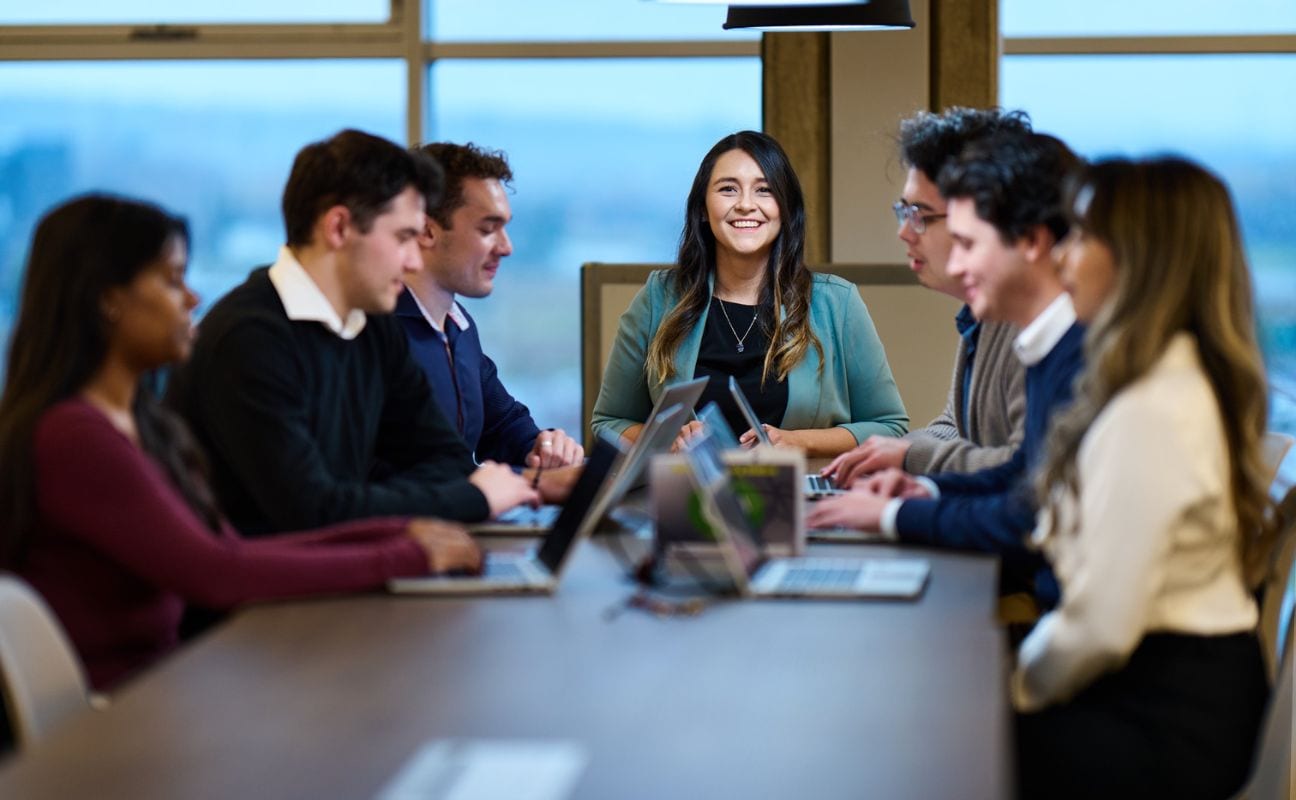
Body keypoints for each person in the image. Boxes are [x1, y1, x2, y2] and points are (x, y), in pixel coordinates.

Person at [0, 195, 483, 691]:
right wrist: (407, 556)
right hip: (119, 724)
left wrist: (400, 533)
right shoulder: (76, 439)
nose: (192, 298)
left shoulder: (141, 424)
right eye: (171, 280)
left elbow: (230, 547)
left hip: (168, 691)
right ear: (109, 300)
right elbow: (219, 573)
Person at [1013, 157, 1273, 799]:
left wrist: (1016, 686)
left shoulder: (1153, 408)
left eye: (1077, 236)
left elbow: (1100, 625)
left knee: (937, 738)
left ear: (1137, 257)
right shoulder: (1164, 382)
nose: (1061, 257)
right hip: (1173, 685)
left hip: (1164, 715)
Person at [167, 129, 541, 537]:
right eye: (402, 237)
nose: (415, 258)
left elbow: (440, 456)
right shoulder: (248, 339)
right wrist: (474, 497)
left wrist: (508, 485)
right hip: (264, 594)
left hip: (335, 572)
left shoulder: (370, 326)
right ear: (340, 228)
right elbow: (312, 510)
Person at [808, 132, 1083, 607]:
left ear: (1031, 240)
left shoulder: (1063, 342)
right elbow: (1017, 468)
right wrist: (923, 486)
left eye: (966, 240)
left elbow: (1028, 503)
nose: (957, 259)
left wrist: (900, 506)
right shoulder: (1013, 325)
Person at [591, 130, 908, 458]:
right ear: (702, 207)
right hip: (688, 499)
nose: (745, 205)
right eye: (728, 189)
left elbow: (889, 426)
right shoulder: (659, 298)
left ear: (785, 209)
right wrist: (665, 439)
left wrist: (799, 441)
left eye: (764, 190)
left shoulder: (837, 303)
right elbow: (611, 421)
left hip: (804, 499)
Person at [823, 108, 1031, 486]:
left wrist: (908, 458)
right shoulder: (981, 313)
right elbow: (954, 425)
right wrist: (889, 454)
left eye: (919, 214)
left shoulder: (1032, 321)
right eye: (903, 211)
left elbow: (1022, 470)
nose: (904, 232)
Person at [397, 142, 582, 469]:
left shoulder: (457, 326)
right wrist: (528, 483)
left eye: (505, 228)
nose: (506, 247)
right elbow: (416, 472)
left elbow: (501, 423)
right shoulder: (381, 333)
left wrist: (542, 448)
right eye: (487, 229)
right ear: (427, 230)